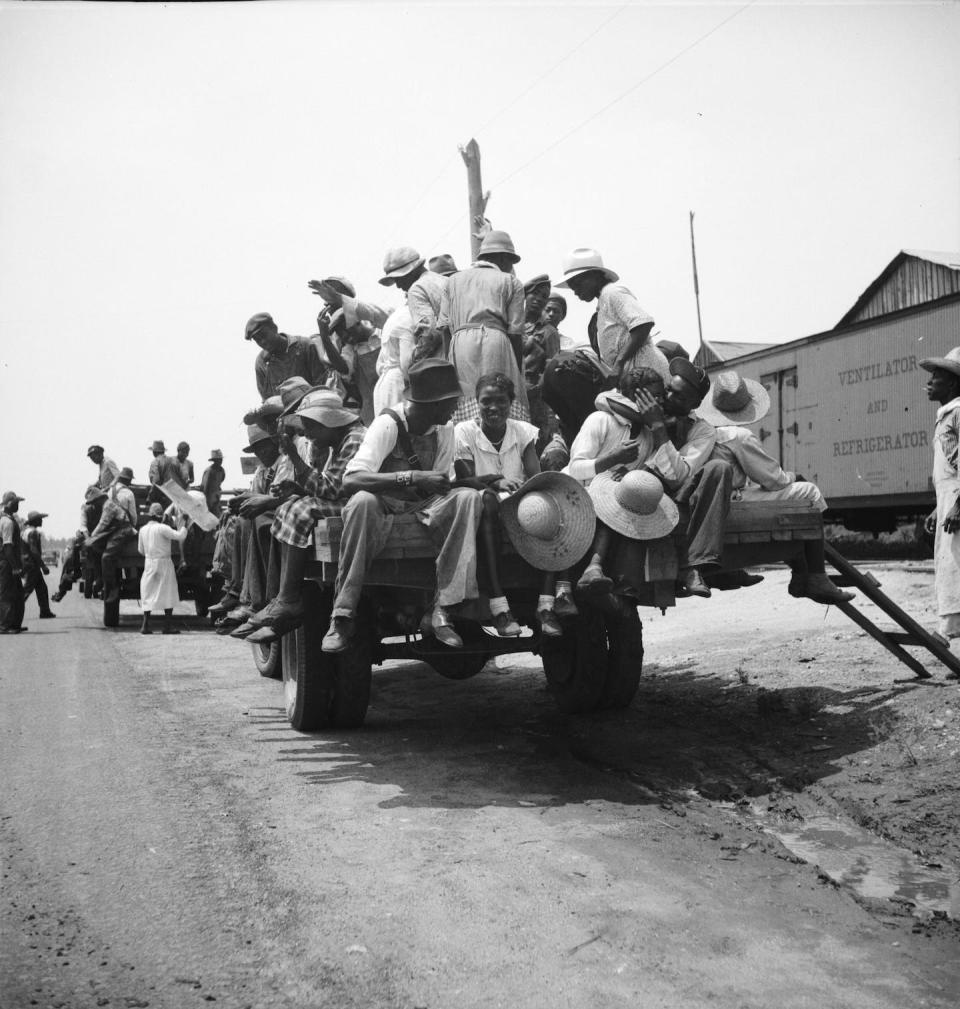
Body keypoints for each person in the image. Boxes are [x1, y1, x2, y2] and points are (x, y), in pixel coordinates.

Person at [321, 359, 483, 653]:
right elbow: (351, 480)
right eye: (452, 401)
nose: (456, 407)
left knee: (470, 499)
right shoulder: (388, 424)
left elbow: (440, 486)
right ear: (434, 403)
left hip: (422, 509)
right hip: (382, 511)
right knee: (361, 502)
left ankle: (443, 609)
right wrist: (412, 476)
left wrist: (475, 483)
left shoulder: (444, 431)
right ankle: (342, 614)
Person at [698, 370, 853, 605]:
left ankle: (801, 572)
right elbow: (773, 480)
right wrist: (794, 476)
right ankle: (815, 577)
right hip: (732, 502)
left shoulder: (703, 430)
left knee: (789, 498)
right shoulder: (737, 436)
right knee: (808, 492)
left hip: (712, 501)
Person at [240, 390, 367, 642]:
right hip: (346, 501)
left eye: (311, 427)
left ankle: (288, 599)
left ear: (328, 422)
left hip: (360, 508)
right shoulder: (340, 441)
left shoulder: (354, 439)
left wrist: (297, 460)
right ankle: (283, 598)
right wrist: (297, 488)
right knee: (290, 506)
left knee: (297, 510)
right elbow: (330, 485)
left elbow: (332, 489)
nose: (307, 434)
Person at [454, 372, 555, 635]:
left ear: (511, 404)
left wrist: (526, 494)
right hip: (484, 506)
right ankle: (499, 605)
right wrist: (495, 482)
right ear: (477, 401)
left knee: (550, 504)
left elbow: (535, 476)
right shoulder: (464, 432)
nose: (493, 408)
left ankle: (547, 605)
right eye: (486, 401)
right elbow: (466, 479)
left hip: (519, 505)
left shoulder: (521, 431)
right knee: (487, 501)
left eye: (501, 401)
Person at [437, 229, 529, 424]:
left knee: (466, 401)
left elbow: (444, 328)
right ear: (504, 259)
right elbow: (515, 331)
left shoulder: (452, 281)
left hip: (460, 345)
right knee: (501, 398)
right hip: (496, 342)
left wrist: (448, 364)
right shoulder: (511, 281)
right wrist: (517, 370)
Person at [556, 248, 670, 384]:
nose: (575, 291)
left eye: (577, 284)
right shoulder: (602, 305)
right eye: (572, 287)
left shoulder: (612, 292)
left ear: (595, 276)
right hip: (632, 376)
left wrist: (619, 365)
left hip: (647, 369)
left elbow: (643, 324)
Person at [208, 422, 280, 618]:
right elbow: (256, 493)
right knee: (230, 519)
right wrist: (243, 498)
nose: (260, 453)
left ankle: (243, 591)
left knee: (244, 521)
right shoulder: (261, 469)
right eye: (256, 449)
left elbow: (273, 496)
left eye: (263, 447)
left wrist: (249, 499)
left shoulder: (281, 463)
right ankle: (232, 585)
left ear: (274, 444)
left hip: (276, 513)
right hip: (265, 511)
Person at [920, 347, 960, 643]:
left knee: (955, 562)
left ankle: (946, 631)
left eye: (936, 378)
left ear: (954, 384)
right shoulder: (946, 414)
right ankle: (949, 628)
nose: (929, 383)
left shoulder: (958, 413)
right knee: (948, 563)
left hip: (958, 501)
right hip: (949, 500)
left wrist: (958, 505)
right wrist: (939, 507)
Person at [378, 246, 447, 362]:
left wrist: (414, 362)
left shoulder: (416, 290)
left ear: (412, 271)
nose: (398, 286)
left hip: (445, 357)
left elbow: (429, 333)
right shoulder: (442, 279)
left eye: (399, 279)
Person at [86, 467, 139, 604]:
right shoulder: (128, 493)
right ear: (128, 481)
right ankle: (106, 584)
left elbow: (103, 523)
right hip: (123, 529)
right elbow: (133, 516)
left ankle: (110, 587)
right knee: (102, 553)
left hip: (118, 530)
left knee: (105, 557)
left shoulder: (110, 493)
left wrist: (92, 536)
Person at [245, 312, 326, 401]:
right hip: (283, 413)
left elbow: (321, 384)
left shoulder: (305, 346)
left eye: (264, 335)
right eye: (258, 340)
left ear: (274, 328)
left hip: (313, 406)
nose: (263, 342)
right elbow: (267, 400)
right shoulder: (261, 362)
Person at [137, 502, 188, 635]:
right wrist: (185, 524)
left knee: (148, 592)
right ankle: (167, 626)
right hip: (164, 562)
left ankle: (145, 625)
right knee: (168, 592)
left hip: (149, 562)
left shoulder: (142, 530)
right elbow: (180, 536)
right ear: (160, 516)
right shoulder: (162, 528)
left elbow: (140, 550)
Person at [373, 303, 415, 414]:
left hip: (385, 384)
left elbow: (379, 367)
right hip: (399, 384)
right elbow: (407, 364)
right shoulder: (408, 318)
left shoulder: (394, 319)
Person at [0, 491, 27, 634]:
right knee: (7, 595)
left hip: (8, 562)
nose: (18, 505)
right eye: (16, 503)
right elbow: (8, 547)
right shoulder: (7, 522)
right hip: (6, 563)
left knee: (17, 594)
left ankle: (14, 624)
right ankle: (5, 626)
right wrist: (15, 567)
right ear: (10, 503)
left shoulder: (9, 519)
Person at [22, 510, 55, 619]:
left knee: (42, 588)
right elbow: (34, 550)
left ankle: (45, 611)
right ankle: (12, 611)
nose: (41, 521)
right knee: (26, 590)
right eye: (40, 519)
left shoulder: (25, 531)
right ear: (35, 521)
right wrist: (43, 566)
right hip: (32, 564)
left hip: (28, 563)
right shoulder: (33, 532)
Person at [201, 450, 226, 515]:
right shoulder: (209, 471)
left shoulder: (222, 470)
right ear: (214, 460)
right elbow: (205, 487)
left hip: (216, 498)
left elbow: (220, 481)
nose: (220, 461)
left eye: (221, 459)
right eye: (218, 460)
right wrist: (207, 503)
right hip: (208, 499)